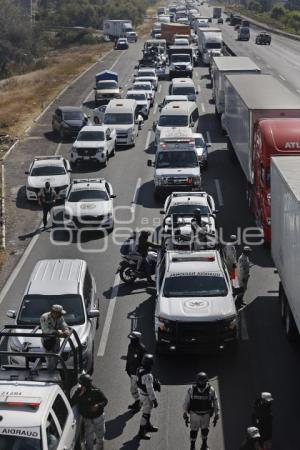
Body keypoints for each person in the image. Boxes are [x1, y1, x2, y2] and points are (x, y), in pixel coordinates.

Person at [183, 372, 220, 450]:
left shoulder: (211, 390)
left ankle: (204, 444)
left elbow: (215, 402)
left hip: (206, 414)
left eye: (203, 380)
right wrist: (185, 412)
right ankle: (192, 446)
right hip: (194, 414)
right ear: (197, 381)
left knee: (205, 430)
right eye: (200, 380)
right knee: (193, 431)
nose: (201, 382)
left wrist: (217, 414)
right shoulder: (191, 389)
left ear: (206, 381)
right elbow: (186, 402)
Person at [73, 373, 108, 450]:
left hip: (98, 418)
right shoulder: (79, 392)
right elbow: (72, 402)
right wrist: (80, 395)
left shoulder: (96, 391)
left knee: (100, 438)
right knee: (88, 440)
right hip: (87, 420)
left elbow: (105, 400)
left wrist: (98, 405)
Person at [137, 353, 160, 440]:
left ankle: (148, 426)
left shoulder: (139, 369)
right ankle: (141, 431)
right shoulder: (148, 375)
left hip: (142, 394)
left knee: (148, 411)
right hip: (147, 396)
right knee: (145, 414)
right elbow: (150, 389)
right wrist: (154, 400)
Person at [40, 304, 70, 370]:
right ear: (54, 313)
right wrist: (59, 332)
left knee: (57, 356)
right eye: (59, 313)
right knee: (49, 358)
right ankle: (50, 372)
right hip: (47, 340)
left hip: (56, 340)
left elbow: (63, 324)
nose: (61, 315)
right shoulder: (44, 317)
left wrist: (66, 330)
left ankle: (55, 369)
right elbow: (46, 330)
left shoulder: (60, 317)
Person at [125, 331, 147, 412]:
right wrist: (127, 368)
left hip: (137, 373)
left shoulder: (142, 349)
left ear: (137, 339)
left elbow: (144, 363)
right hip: (131, 371)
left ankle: (139, 402)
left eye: (132, 339)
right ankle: (138, 402)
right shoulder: (130, 346)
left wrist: (141, 373)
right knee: (134, 389)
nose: (131, 340)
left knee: (134, 389)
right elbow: (129, 358)